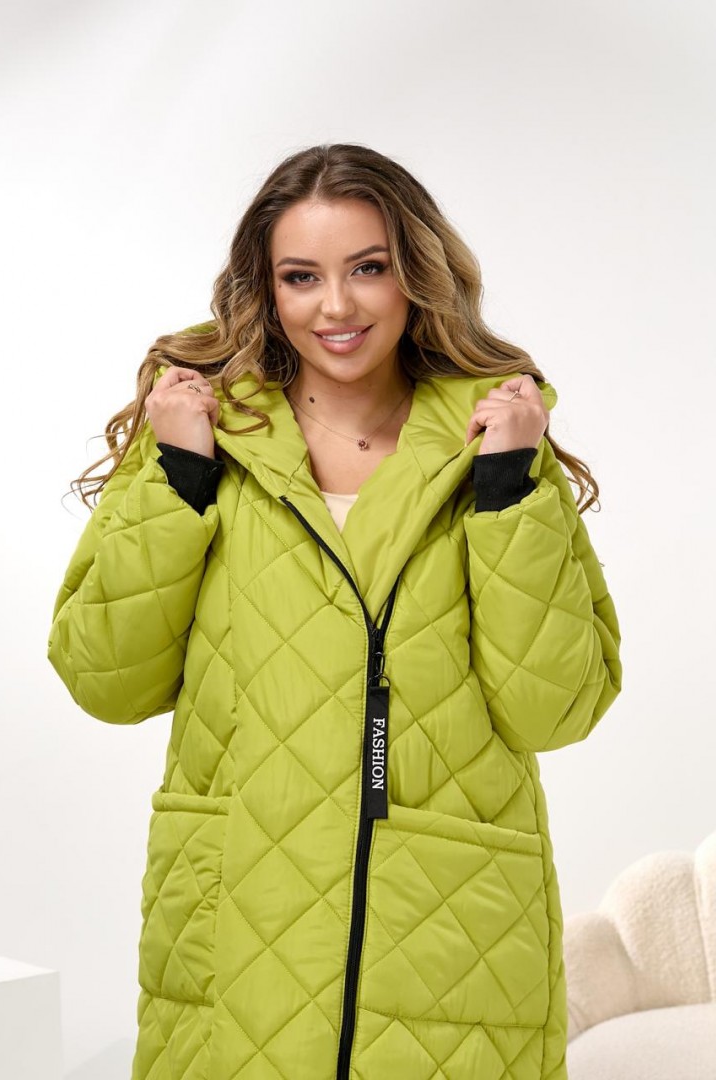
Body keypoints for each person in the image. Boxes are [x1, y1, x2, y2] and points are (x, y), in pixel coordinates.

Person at [47, 143, 622, 1080]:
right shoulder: (204, 436)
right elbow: (105, 678)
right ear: (267, 289)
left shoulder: (494, 444)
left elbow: (555, 709)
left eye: (368, 268)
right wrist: (180, 475)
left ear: (415, 274)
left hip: (446, 938)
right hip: (241, 930)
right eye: (302, 276)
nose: (338, 307)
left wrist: (510, 489)